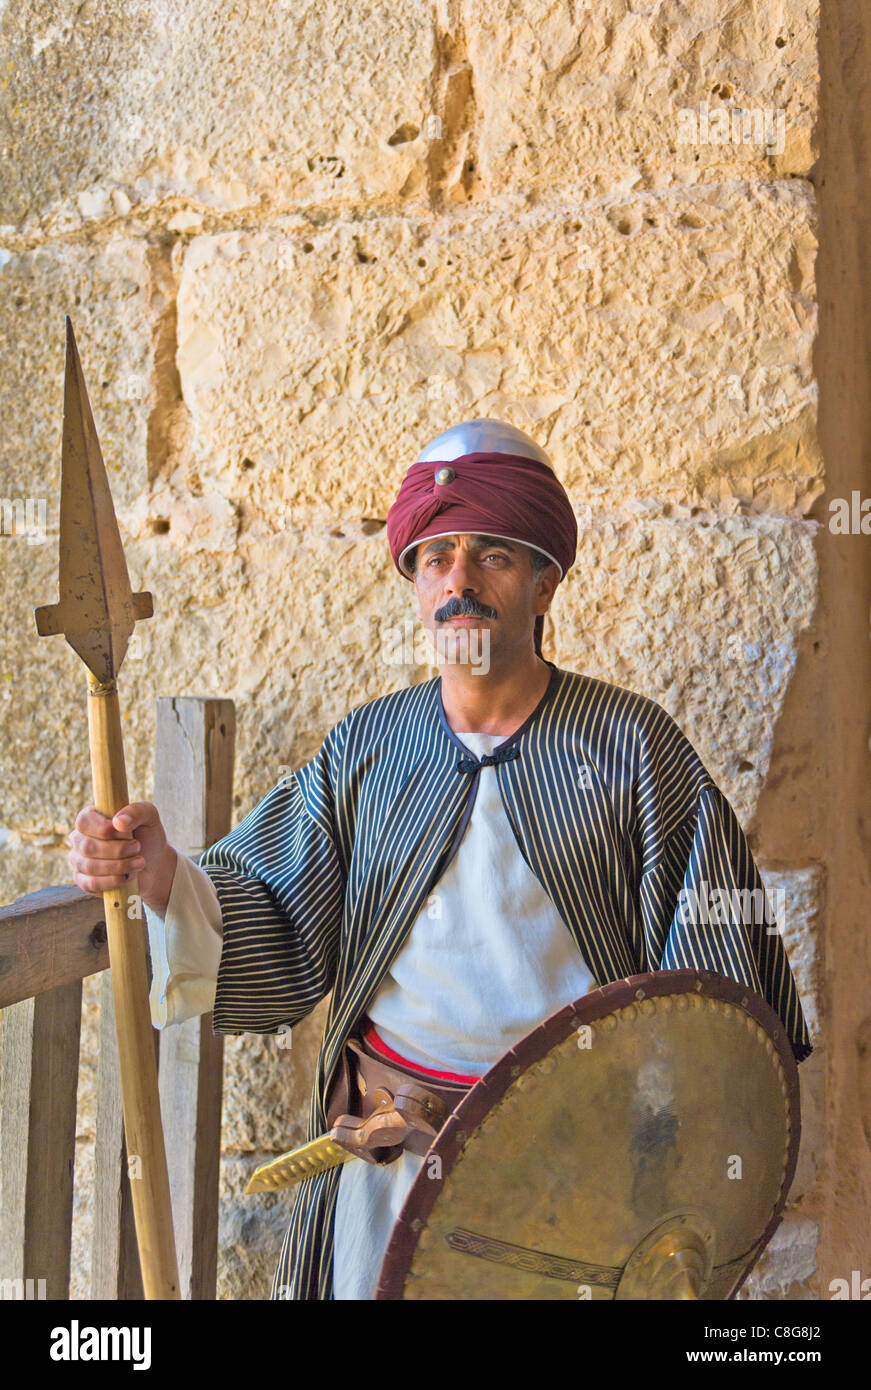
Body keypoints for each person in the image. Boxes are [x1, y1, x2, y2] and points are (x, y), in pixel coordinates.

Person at [68, 418, 813, 1301]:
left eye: (492, 554)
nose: (458, 581)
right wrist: (160, 877)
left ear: (546, 584)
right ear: (415, 587)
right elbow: (266, 907)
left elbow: (716, 1005)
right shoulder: (369, 748)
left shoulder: (633, 750)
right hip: (392, 1173)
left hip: (575, 1189)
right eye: (434, 558)